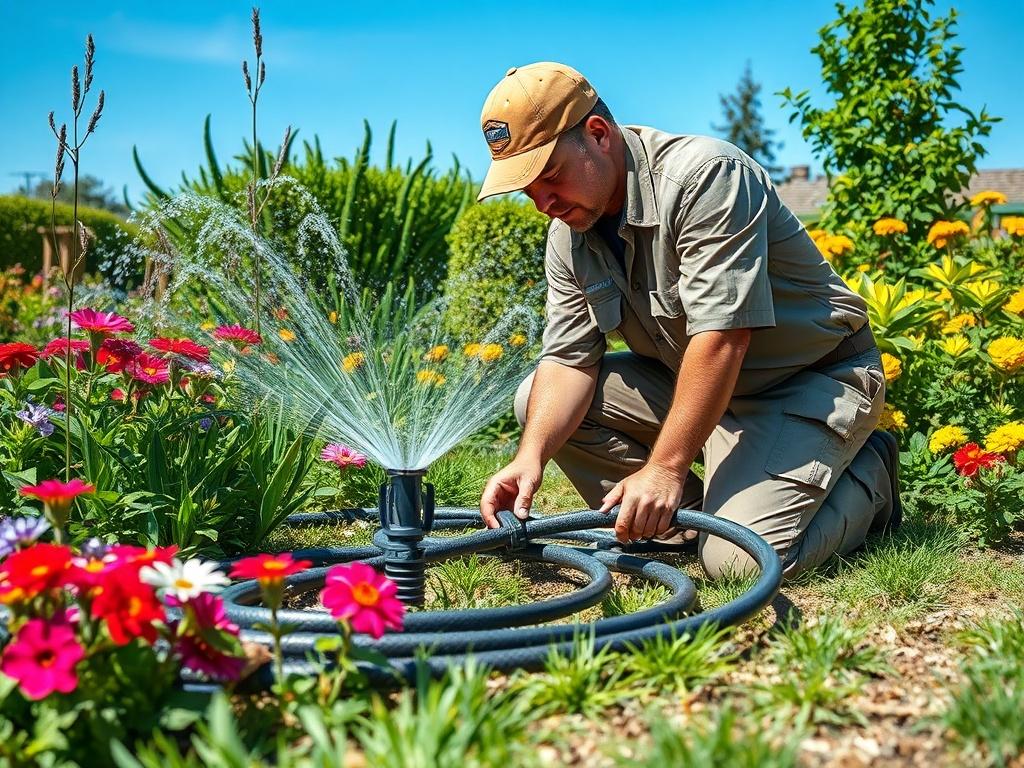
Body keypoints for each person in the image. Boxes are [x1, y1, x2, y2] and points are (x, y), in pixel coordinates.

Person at [476, 62, 900, 580]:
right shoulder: (570, 233)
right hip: (699, 390)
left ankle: (870, 476)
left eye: (550, 176)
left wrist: (664, 467)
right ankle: (681, 527)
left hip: (806, 383)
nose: (542, 202)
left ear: (598, 134)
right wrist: (530, 458)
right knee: (534, 402)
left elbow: (724, 337)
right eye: (526, 189)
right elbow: (567, 359)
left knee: (740, 564)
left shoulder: (707, 177)